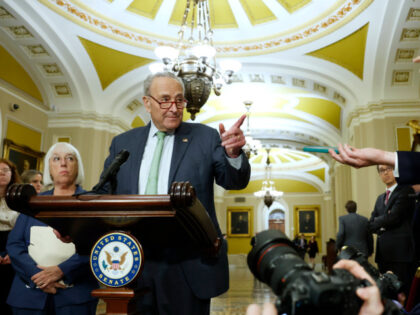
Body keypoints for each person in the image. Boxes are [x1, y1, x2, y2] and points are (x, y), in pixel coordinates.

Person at [97, 72, 251, 314]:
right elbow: (104, 193)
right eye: (165, 99)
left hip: (187, 263)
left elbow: (233, 181)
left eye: (180, 100)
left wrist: (233, 155)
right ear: (147, 103)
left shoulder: (205, 137)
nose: (174, 108)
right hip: (134, 262)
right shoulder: (123, 143)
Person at [6, 142, 99, 314]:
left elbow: (98, 246)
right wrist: (39, 277)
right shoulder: (32, 203)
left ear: (78, 167)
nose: (63, 163)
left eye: (69, 158)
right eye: (56, 159)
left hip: (75, 297)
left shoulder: (92, 203)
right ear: (49, 168)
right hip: (28, 297)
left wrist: (61, 271)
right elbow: (14, 245)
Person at [369, 164, 415, 297]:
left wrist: (381, 221)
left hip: (401, 253)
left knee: (402, 292)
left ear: (395, 171)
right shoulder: (380, 198)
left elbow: (394, 217)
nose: (386, 173)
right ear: (379, 174)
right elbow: (371, 224)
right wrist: (384, 219)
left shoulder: (406, 191)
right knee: (386, 292)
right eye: (382, 170)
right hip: (383, 253)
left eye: (389, 169)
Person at [0, 159, 21, 315]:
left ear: (12, 174)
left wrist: (13, 253)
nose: (1, 173)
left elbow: (25, 228)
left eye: (6, 170)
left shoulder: (19, 198)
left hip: (13, 243)